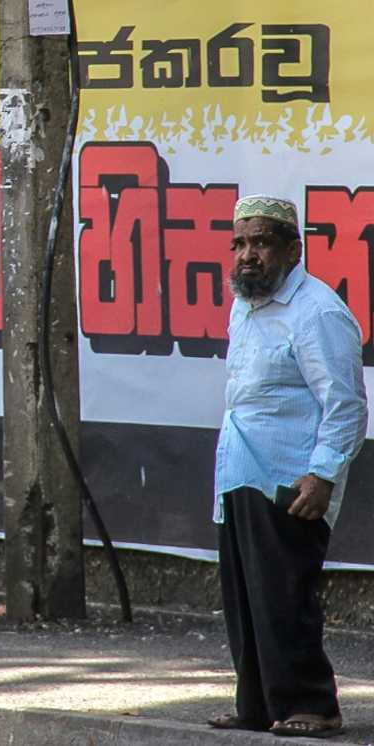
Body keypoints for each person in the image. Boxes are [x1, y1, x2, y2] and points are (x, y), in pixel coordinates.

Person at [207, 195, 366, 739]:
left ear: (293, 249)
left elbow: (346, 403)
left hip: (290, 478)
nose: (248, 255)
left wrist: (322, 475)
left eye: (262, 242)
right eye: (240, 243)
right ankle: (257, 705)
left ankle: (313, 704)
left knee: (285, 597)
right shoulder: (246, 304)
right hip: (240, 469)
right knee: (247, 599)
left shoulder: (316, 311)